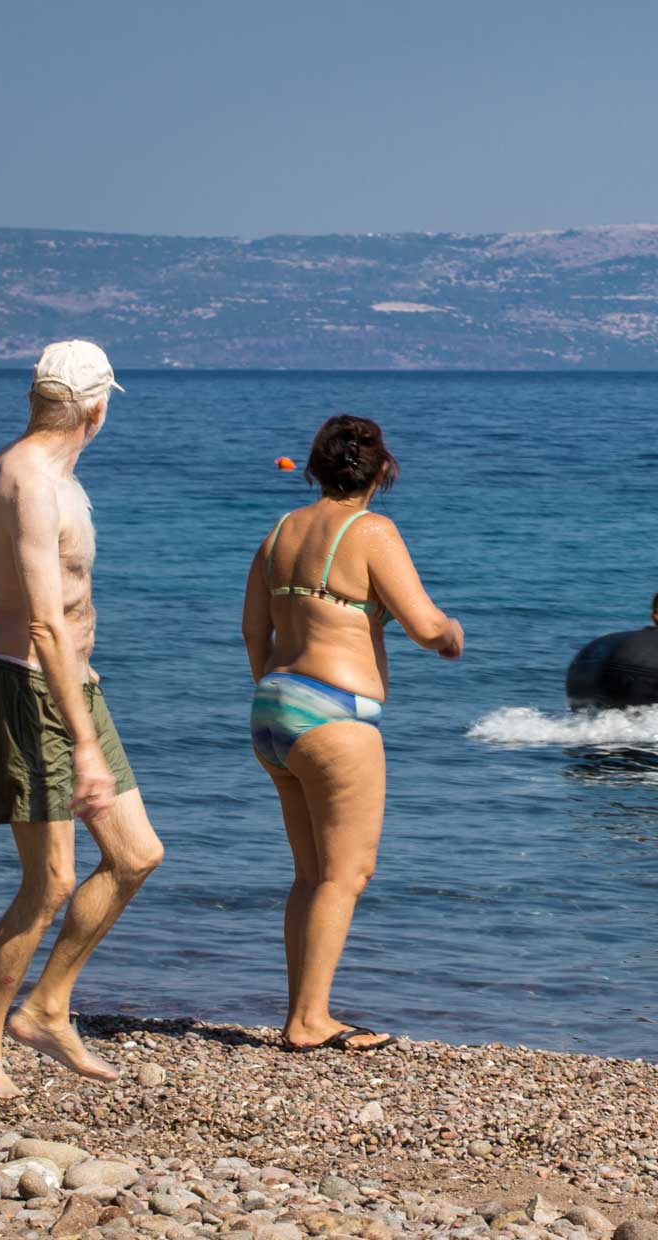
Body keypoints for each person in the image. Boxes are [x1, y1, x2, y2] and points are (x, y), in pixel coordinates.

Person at [0, 341, 165, 1098]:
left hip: (72, 686)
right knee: (48, 883)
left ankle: (46, 1008)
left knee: (136, 855)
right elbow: (45, 624)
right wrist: (85, 746)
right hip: (29, 688)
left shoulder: (54, 473)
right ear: (97, 406)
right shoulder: (31, 481)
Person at [242, 415, 464, 1053]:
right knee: (347, 874)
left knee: (309, 874)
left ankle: (300, 1013)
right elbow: (426, 627)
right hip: (335, 716)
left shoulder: (280, 532)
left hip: (273, 708)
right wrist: (454, 633)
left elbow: (255, 631)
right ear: (383, 471)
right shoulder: (371, 529)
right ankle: (310, 1022)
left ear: (314, 467)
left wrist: (282, 689)